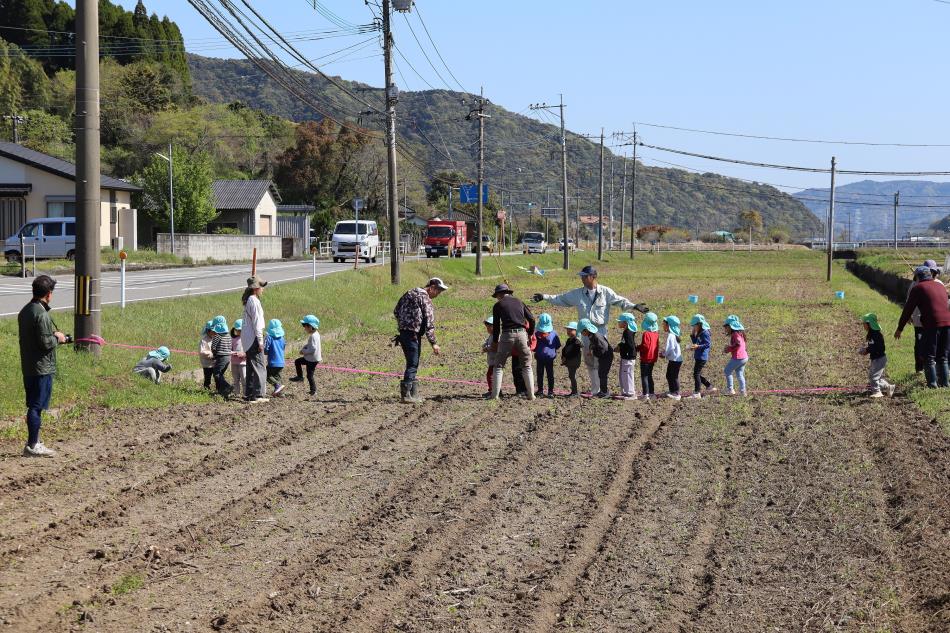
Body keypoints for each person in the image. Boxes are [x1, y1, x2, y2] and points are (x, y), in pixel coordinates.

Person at [532, 265, 648, 395]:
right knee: (590, 361)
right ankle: (595, 390)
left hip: (600, 332)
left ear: (593, 277)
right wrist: (544, 296)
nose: (582, 279)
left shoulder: (605, 292)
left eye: (585, 276)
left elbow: (620, 301)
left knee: (601, 360)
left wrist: (634, 306)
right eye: (581, 276)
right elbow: (561, 298)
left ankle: (602, 389)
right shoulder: (577, 293)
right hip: (585, 333)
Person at [18, 275, 67, 458]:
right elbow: (46, 343)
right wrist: (58, 338)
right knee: (36, 407)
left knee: (33, 404)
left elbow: (35, 335)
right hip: (42, 368)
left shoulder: (26, 311)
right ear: (48, 294)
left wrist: (51, 334)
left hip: (29, 366)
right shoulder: (42, 314)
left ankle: (34, 441)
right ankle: (32, 445)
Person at [394, 277, 448, 403]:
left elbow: (396, 311)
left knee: (411, 362)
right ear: (432, 287)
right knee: (413, 363)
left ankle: (413, 393)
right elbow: (429, 323)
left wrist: (403, 324)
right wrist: (434, 343)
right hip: (413, 334)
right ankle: (407, 395)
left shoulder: (409, 293)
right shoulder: (425, 299)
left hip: (403, 333)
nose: (438, 294)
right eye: (438, 291)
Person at [895, 265, 950, 388]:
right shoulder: (940, 286)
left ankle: (932, 385)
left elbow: (907, 310)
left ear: (918, 277)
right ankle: (945, 384)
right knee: (943, 356)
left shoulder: (918, 288)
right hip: (947, 323)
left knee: (928, 356)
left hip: (932, 324)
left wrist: (900, 328)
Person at [490, 283, 537, 400]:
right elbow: (531, 319)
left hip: (507, 335)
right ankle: (531, 395)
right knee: (527, 365)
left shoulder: (498, 305)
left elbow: (496, 327)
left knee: (498, 366)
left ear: (499, 294)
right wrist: (530, 334)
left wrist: (495, 342)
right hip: (522, 334)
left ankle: (494, 395)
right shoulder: (519, 302)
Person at [907, 259, 946, 375]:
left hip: (934, 321)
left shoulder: (939, 284)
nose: (931, 274)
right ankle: (919, 369)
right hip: (919, 320)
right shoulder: (915, 284)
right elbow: (909, 301)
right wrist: (908, 315)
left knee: (934, 346)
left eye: (933, 272)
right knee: (919, 344)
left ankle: (933, 369)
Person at [241, 276, 269, 403]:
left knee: (251, 366)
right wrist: (260, 341)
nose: (262, 289)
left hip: (247, 339)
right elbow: (257, 323)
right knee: (259, 366)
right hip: (254, 338)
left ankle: (249, 393)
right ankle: (258, 395)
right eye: (261, 287)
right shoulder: (254, 302)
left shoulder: (249, 300)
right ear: (256, 288)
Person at [859, 313, 895, 398]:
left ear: (869, 324)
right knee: (875, 376)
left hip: (879, 358)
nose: (863, 325)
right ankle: (888, 387)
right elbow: (872, 347)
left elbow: (878, 347)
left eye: (864, 324)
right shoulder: (872, 335)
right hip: (876, 358)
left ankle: (877, 392)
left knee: (873, 376)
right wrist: (866, 350)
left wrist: (867, 350)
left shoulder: (876, 335)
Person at [579, 318, 613, 398]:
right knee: (601, 374)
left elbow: (603, 349)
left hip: (606, 357)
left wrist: (594, 352)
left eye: (581, 331)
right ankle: (602, 391)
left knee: (602, 374)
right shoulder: (591, 335)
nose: (581, 333)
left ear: (586, 330)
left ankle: (605, 392)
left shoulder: (597, 337)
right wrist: (591, 350)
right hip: (603, 357)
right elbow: (592, 344)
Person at [290, 315, 322, 396]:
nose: (304, 328)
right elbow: (311, 345)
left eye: (305, 326)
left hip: (312, 359)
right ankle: (300, 377)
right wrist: (306, 346)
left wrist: (303, 351)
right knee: (298, 362)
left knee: (309, 375)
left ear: (310, 327)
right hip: (312, 358)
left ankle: (313, 390)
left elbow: (312, 349)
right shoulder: (316, 334)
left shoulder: (313, 336)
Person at [533, 313, 560, 398]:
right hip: (549, 357)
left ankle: (541, 390)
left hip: (541, 357)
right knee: (549, 375)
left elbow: (533, 346)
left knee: (541, 374)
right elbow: (558, 345)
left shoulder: (537, 333)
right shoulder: (554, 333)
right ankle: (550, 392)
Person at [688, 314, 714, 399]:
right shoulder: (699, 332)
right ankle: (709, 386)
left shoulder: (705, 332)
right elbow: (696, 342)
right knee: (696, 374)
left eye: (694, 326)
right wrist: (692, 335)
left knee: (696, 374)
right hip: (698, 356)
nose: (693, 327)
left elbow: (708, 344)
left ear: (699, 324)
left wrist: (698, 346)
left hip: (702, 357)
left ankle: (697, 393)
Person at [722, 314, 749, 396]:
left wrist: (729, 348)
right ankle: (743, 391)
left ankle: (730, 389)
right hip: (744, 357)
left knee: (727, 371)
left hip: (738, 358)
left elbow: (738, 344)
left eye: (726, 327)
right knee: (739, 374)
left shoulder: (735, 335)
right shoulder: (740, 333)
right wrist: (730, 348)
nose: (725, 329)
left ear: (731, 327)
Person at [615, 312, 638, 400]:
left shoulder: (628, 332)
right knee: (625, 374)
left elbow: (630, 345)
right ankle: (626, 392)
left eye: (620, 321)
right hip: (627, 357)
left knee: (627, 375)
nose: (618, 323)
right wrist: (620, 345)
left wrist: (621, 348)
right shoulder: (628, 331)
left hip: (628, 357)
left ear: (625, 323)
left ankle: (630, 394)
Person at [637, 312, 660, 399]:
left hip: (646, 358)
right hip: (652, 358)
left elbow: (645, 346)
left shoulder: (646, 334)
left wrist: (637, 348)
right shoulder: (656, 334)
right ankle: (651, 393)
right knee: (649, 375)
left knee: (644, 376)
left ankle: (645, 394)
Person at [660, 315, 683, 400]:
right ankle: (672, 391)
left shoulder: (671, 335)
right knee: (669, 375)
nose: (663, 326)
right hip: (674, 359)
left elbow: (670, 348)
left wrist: (663, 354)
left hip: (675, 360)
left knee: (673, 376)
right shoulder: (673, 334)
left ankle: (676, 394)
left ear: (669, 325)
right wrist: (665, 352)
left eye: (664, 324)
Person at [210, 316, 233, 398]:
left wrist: (214, 355)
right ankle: (221, 391)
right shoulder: (228, 335)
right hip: (228, 357)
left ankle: (227, 386)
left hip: (221, 357)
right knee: (220, 373)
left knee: (216, 373)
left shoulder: (217, 336)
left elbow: (213, 347)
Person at [264, 318, 286, 397]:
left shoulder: (269, 338)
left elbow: (266, 349)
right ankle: (280, 393)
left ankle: (277, 386)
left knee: (266, 374)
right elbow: (283, 347)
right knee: (277, 376)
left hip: (273, 362)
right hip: (281, 362)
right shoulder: (282, 338)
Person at [561, 321, 583, 397]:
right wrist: (563, 357)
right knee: (571, 376)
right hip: (569, 361)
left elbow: (574, 353)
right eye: (568, 330)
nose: (568, 331)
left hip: (574, 362)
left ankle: (575, 392)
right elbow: (564, 349)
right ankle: (574, 391)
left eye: (571, 330)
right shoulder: (569, 340)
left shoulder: (577, 341)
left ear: (576, 331)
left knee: (572, 376)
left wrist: (566, 357)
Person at [481, 316, 497, 398]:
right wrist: (485, 345)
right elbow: (487, 342)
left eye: (488, 327)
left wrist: (487, 348)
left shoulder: (496, 336)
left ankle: (493, 391)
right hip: (491, 359)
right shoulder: (491, 335)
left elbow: (495, 347)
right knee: (491, 375)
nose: (487, 329)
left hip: (495, 360)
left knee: (490, 375)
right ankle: (493, 390)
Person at [230, 319, 246, 397]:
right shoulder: (233, 339)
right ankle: (237, 393)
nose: (239, 332)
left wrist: (244, 354)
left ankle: (245, 394)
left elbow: (248, 351)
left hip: (243, 363)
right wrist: (233, 353)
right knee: (236, 379)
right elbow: (230, 349)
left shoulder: (247, 340)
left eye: (241, 330)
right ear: (235, 330)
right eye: (238, 330)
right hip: (234, 362)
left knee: (244, 379)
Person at [198, 319, 214, 390]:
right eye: (212, 331)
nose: (214, 333)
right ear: (208, 331)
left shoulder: (215, 339)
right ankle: (206, 389)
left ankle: (218, 389)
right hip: (207, 363)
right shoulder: (204, 340)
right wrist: (210, 353)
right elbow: (202, 351)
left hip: (214, 362)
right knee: (207, 377)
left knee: (217, 377)